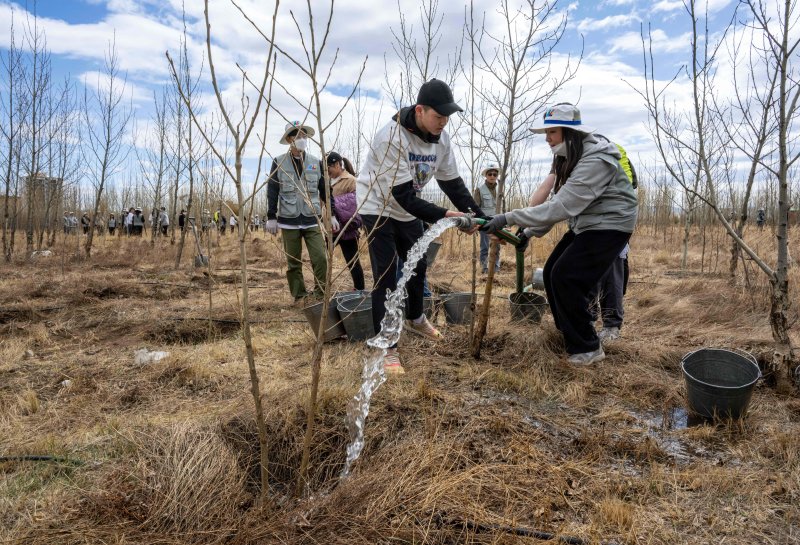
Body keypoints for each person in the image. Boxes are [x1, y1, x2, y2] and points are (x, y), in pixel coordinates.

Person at [481, 102, 638, 366]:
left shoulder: (595, 159)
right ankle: (570, 333)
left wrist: (507, 217)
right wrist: (528, 233)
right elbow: (557, 202)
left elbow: (560, 207)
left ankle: (587, 348)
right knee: (554, 271)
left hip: (610, 225)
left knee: (567, 277)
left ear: (569, 132)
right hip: (586, 223)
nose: (546, 138)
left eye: (551, 132)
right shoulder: (568, 156)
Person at [356, 79, 485, 374]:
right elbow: (402, 196)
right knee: (386, 275)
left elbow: (452, 183)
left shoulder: (442, 139)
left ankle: (415, 318)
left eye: (447, 117)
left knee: (418, 265)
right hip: (377, 207)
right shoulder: (391, 138)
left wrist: (479, 217)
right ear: (420, 111)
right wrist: (448, 216)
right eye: (438, 117)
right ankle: (385, 345)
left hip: (406, 208)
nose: (444, 122)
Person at [266, 120, 334, 304]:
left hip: (312, 219)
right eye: (297, 136)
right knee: (293, 261)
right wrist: (271, 216)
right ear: (289, 139)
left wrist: (332, 213)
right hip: (289, 220)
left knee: (320, 258)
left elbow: (325, 189)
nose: (301, 139)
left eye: (304, 135)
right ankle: (300, 295)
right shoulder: (278, 162)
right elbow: (272, 190)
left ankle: (321, 294)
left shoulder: (315, 162)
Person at [326, 151, 365, 291]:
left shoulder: (351, 181)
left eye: (328, 167)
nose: (326, 171)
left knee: (353, 262)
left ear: (337, 164)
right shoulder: (325, 181)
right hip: (328, 228)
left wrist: (335, 206)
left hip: (347, 229)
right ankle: (323, 290)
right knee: (323, 260)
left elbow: (357, 205)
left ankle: (359, 290)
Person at [473, 163, 502, 274]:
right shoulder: (479, 190)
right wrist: (478, 223)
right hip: (485, 223)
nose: (492, 176)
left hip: (498, 221)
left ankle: (496, 268)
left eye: (495, 174)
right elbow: (475, 208)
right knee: (484, 247)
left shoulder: (500, 190)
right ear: (486, 175)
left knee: (497, 246)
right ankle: (485, 269)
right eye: (490, 174)